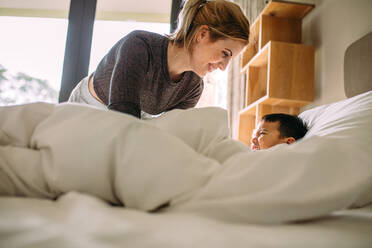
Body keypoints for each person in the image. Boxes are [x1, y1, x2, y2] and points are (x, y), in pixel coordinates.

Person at [68, 0, 250, 118]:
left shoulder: (193, 86)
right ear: (202, 34)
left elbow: (170, 133)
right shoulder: (139, 46)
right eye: (225, 53)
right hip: (88, 107)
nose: (224, 67)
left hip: (136, 119)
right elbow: (122, 118)